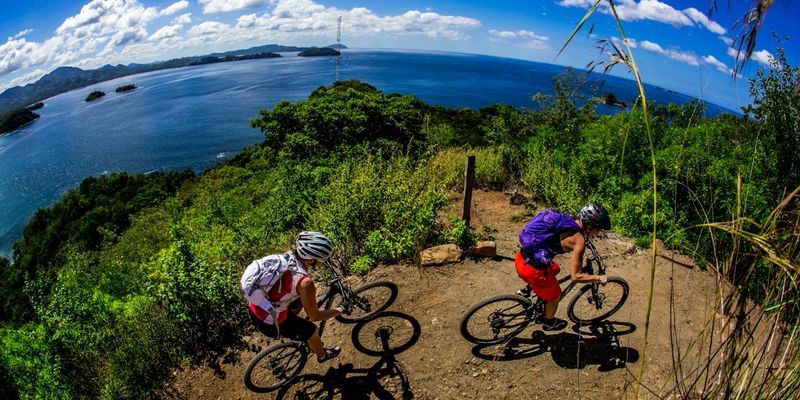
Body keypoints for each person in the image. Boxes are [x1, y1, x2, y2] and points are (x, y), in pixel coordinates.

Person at [241, 231, 343, 363]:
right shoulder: (305, 283)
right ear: (311, 260)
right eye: (321, 260)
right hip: (270, 322)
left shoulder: (287, 256)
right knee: (312, 331)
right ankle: (323, 355)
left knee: (299, 302)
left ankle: (294, 323)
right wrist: (339, 310)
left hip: (256, 307)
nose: (322, 263)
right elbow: (315, 316)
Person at [515, 202, 611, 331]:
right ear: (589, 226)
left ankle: (526, 290)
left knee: (556, 268)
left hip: (522, 258)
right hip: (533, 271)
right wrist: (598, 278)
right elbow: (576, 277)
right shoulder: (579, 241)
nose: (598, 232)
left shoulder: (568, 221)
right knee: (555, 296)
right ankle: (549, 322)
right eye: (598, 229)